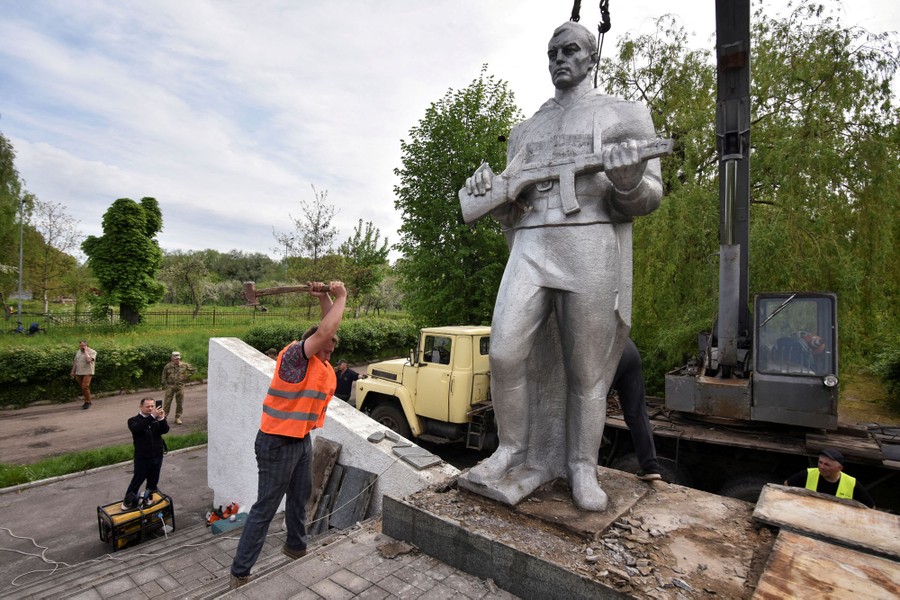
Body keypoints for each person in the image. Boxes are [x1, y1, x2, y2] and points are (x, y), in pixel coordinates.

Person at [459, 21, 663, 511]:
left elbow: (649, 195)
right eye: (551, 53)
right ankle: (511, 449)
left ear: (592, 57)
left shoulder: (625, 114)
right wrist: (491, 190)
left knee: (588, 371)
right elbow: (512, 204)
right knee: (505, 351)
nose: (558, 59)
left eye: (569, 50)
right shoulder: (525, 129)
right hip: (531, 244)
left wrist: (631, 180)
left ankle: (581, 466)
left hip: (590, 241)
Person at [230, 281, 347, 590]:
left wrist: (324, 298)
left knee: (300, 495)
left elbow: (327, 332)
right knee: (266, 507)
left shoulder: (320, 360)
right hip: (277, 442)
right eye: (327, 348)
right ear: (312, 344)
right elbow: (323, 334)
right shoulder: (296, 356)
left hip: (300, 439)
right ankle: (240, 571)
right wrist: (343, 296)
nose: (331, 353)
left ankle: (295, 546)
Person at [612, 339, 661, 481]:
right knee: (637, 413)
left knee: (590, 411)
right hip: (629, 348)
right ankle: (651, 467)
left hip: (609, 352)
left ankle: (586, 468)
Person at [121, 397, 169, 510]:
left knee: (153, 481)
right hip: (142, 458)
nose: (150, 408)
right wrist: (152, 416)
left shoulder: (156, 419)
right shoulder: (133, 420)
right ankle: (128, 502)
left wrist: (162, 418)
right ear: (141, 407)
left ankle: (148, 499)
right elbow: (137, 429)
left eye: (152, 406)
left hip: (157, 456)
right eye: (148, 406)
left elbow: (165, 430)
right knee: (137, 481)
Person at [784, 448, 874, 508]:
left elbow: (871, 507)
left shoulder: (851, 483)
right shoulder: (808, 474)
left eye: (827, 465)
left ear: (839, 468)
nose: (822, 467)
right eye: (820, 462)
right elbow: (786, 485)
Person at [161, 351, 196, 425]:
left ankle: (177, 417)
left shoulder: (184, 365)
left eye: (178, 359)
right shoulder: (167, 366)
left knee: (180, 402)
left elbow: (193, 370)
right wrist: (166, 385)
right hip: (170, 386)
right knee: (167, 402)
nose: (177, 360)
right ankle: (164, 417)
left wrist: (186, 376)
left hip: (180, 386)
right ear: (172, 359)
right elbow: (164, 376)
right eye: (176, 359)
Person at [70, 340, 97, 409]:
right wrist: (73, 371)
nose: (82, 347)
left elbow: (88, 360)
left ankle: (87, 402)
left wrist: (85, 351)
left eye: (83, 345)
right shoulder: (78, 352)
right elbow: (75, 362)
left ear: (87, 345)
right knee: (83, 387)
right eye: (81, 345)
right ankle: (88, 400)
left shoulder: (92, 352)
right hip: (79, 372)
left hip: (88, 372)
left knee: (85, 386)